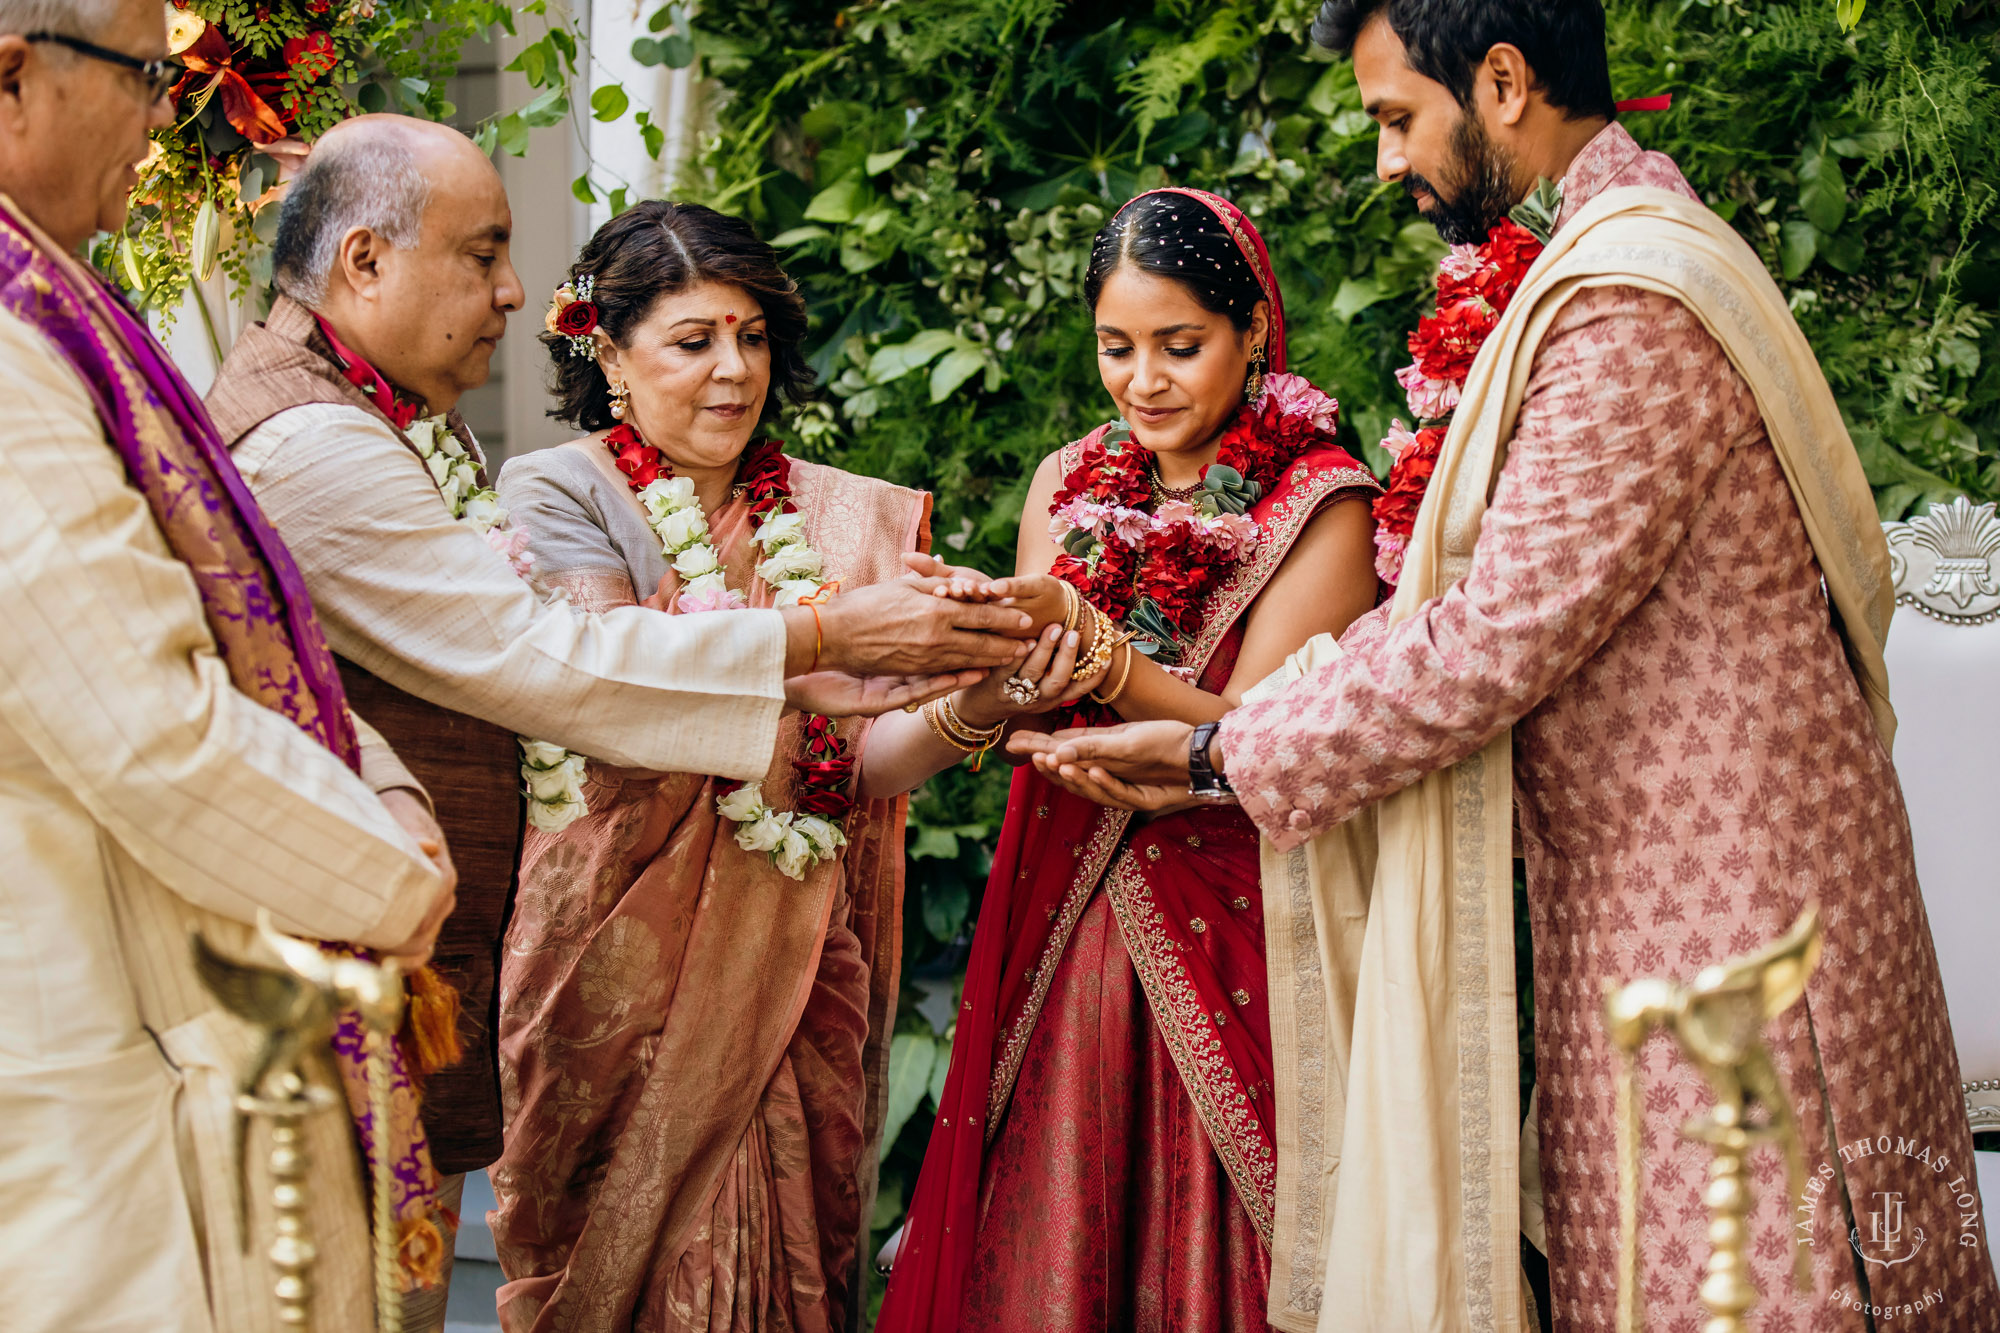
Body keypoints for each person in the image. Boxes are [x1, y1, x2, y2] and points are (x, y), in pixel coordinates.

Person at [1016, 2, 2000, 1330]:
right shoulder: (1609, 264)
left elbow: (1490, 636)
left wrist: (1215, 749)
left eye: (1396, 117)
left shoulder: (1627, 310)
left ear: (1502, 81)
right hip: (1663, 902)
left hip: (1730, 929)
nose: (1383, 160)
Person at [203, 117, 1031, 1326]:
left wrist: (975, 684)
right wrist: (830, 643)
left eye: (749, 338)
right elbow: (554, 663)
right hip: (455, 973)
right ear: (365, 262)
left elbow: (844, 763)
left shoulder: (405, 426)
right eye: (483, 253)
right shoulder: (333, 441)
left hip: (599, 968)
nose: (511, 289)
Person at [0, 3, 457, 1331]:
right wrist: (391, 874)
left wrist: (390, 794)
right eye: (150, 76)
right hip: (98, 1022)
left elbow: (247, 617)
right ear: (18, 73)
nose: (163, 114)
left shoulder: (61, 300)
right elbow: (146, 728)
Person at [875, 189, 1382, 1333]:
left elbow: (1255, 736)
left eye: (1178, 345)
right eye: (1116, 347)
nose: (1142, 380)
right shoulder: (1069, 484)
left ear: (1253, 330)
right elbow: (1019, 711)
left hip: (1236, 921)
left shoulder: (1322, 507)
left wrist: (1095, 650)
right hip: (1062, 920)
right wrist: (982, 628)